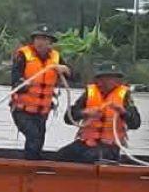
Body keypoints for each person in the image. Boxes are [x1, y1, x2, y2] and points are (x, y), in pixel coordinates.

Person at [58, 62, 141, 163]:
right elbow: (68, 118)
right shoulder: (89, 93)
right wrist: (85, 113)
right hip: (86, 143)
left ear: (117, 81)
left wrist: (123, 112)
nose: (101, 82)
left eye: (107, 79)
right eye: (99, 78)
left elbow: (135, 124)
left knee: (90, 157)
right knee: (59, 156)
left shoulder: (125, 96)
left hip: (109, 147)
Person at [9, 25, 71, 160]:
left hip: (42, 111)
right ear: (33, 40)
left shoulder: (56, 58)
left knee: (39, 140)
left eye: (44, 39)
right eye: (38, 39)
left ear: (50, 43)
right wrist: (23, 84)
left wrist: (65, 70)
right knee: (34, 136)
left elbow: (72, 76)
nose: (41, 42)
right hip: (22, 110)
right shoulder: (23, 55)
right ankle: (30, 167)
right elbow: (15, 80)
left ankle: (32, 164)